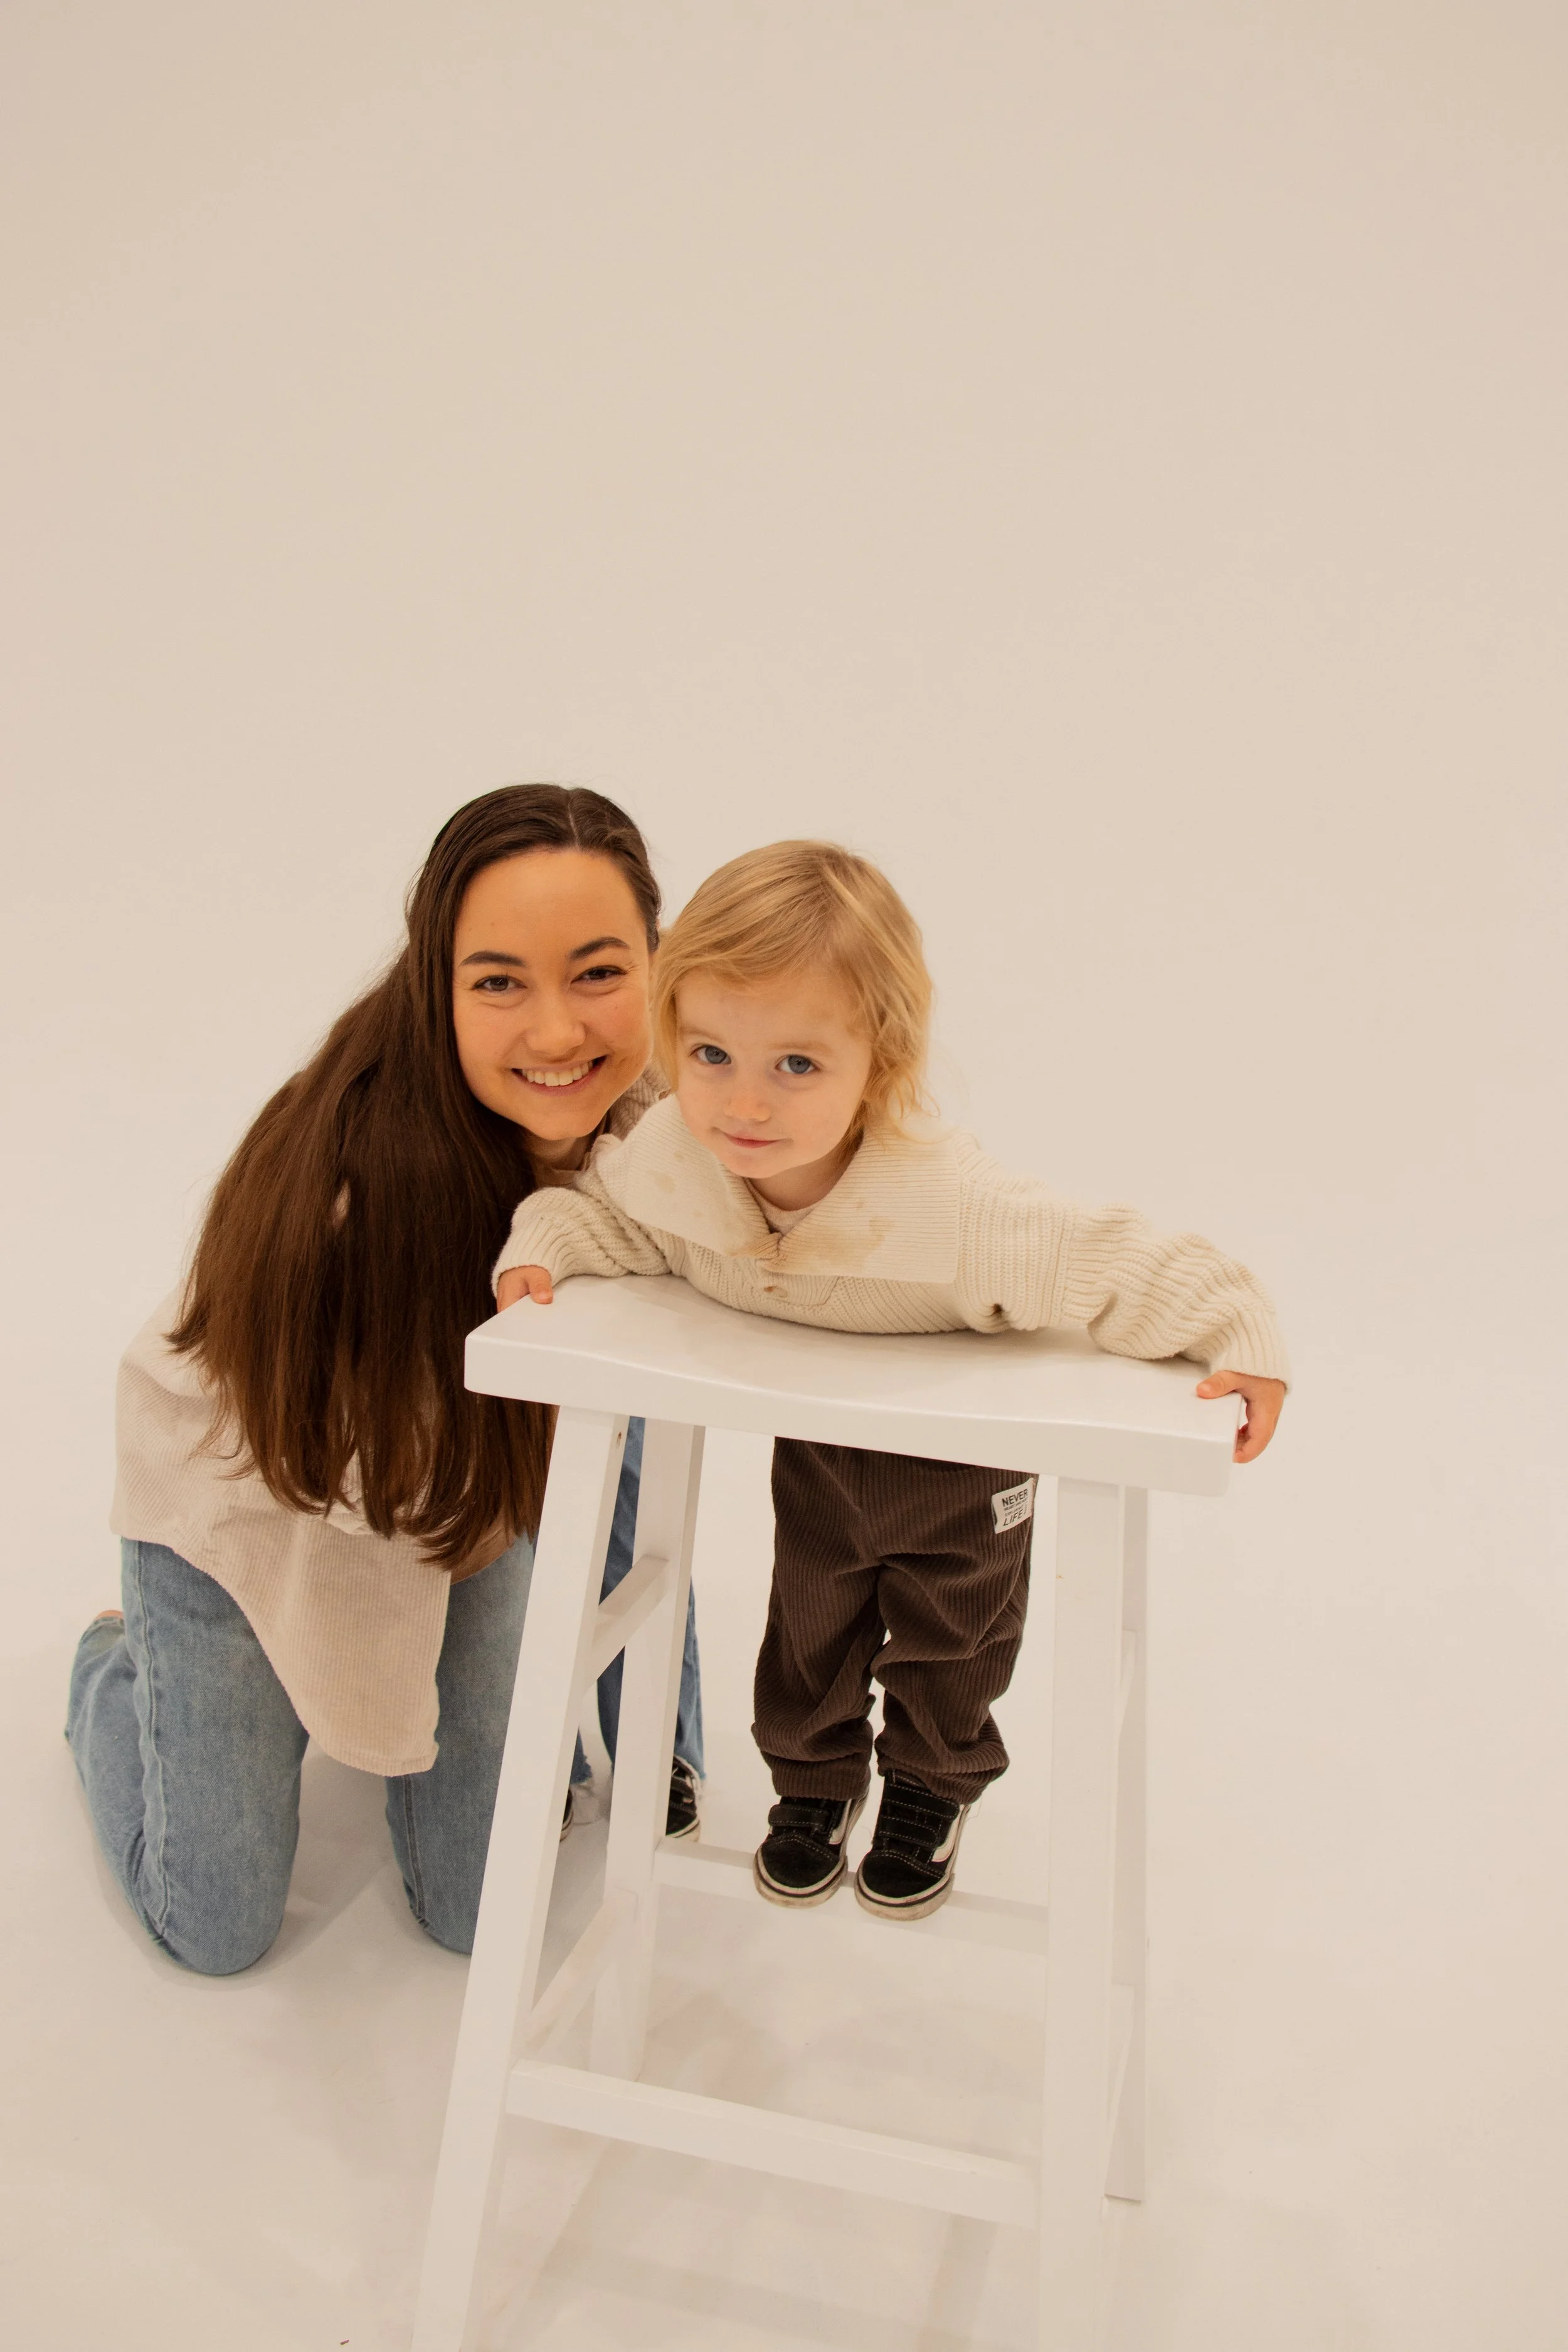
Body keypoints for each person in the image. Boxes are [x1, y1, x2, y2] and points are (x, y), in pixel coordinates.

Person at [494, 839, 1288, 1922]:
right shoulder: (675, 1158)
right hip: (823, 1457)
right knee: (808, 1629)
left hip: (961, 1472)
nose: (746, 1103)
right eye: (712, 1052)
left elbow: (1107, 1258)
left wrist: (1234, 1325)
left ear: (884, 1065)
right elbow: (606, 1215)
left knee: (951, 1642)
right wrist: (542, 1244)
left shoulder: (955, 1208)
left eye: (799, 1065)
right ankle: (813, 1784)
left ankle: (930, 1784)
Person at [67, 785, 702, 1976]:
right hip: (265, 1505)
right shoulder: (360, 1193)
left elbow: (644, 1435)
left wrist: (664, 1739)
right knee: (214, 1928)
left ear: (658, 967)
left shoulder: (672, 1101)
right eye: (500, 981)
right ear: (439, 989)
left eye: (600, 971)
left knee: (479, 1916)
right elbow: (363, 1508)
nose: (560, 1033)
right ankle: (113, 1667)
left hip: (477, 1492)